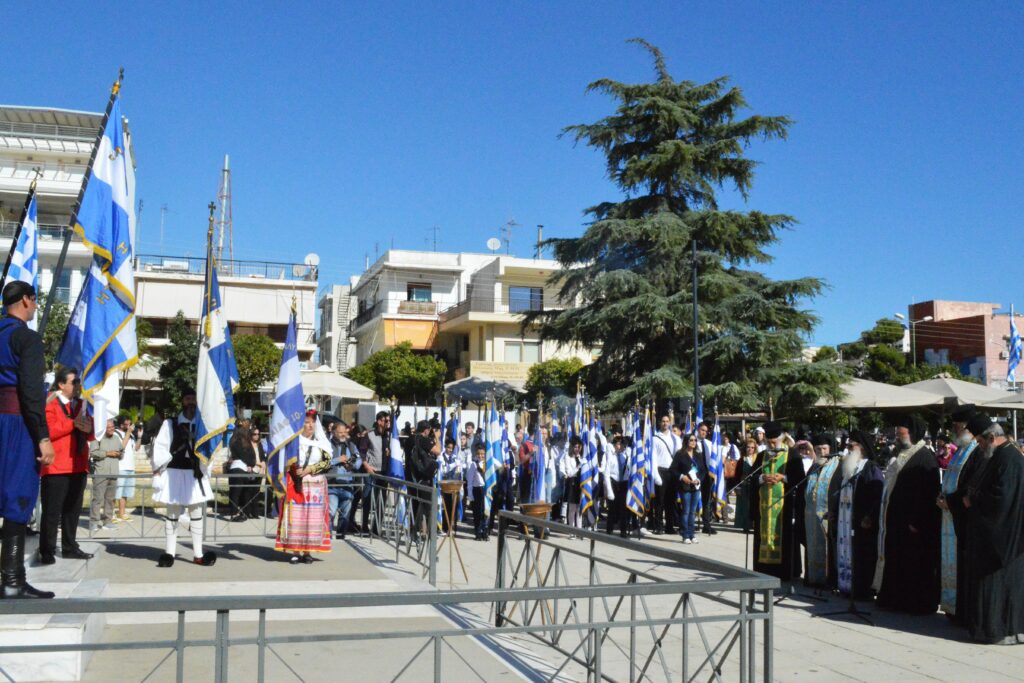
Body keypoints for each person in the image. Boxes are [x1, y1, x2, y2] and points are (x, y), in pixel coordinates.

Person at [0, 282, 56, 599]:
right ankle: (12, 580)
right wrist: (43, 437)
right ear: (25, 300)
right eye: (34, 301)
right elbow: (32, 393)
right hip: (16, 422)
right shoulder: (27, 338)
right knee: (18, 495)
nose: (35, 306)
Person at [961, 417, 1024, 644]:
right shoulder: (1000, 455)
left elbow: (1001, 498)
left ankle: (998, 631)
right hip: (1001, 534)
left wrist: (973, 501)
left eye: (979, 442)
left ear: (990, 437)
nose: (979, 446)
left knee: (999, 586)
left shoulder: (1008, 458)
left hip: (1002, 538)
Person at [873, 415, 941, 614]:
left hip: (913, 524)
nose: (897, 433)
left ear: (912, 432)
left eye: (900, 430)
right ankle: (895, 598)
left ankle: (913, 603)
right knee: (897, 560)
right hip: (897, 521)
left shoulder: (924, 457)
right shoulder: (903, 454)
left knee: (913, 564)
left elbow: (928, 493)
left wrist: (917, 521)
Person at [151, 389, 217, 568]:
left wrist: (205, 468)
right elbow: (161, 447)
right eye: (188, 398)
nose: (191, 402)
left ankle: (198, 554)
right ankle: (169, 553)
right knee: (172, 514)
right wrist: (159, 470)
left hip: (194, 474)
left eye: (194, 399)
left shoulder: (203, 425)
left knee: (196, 514)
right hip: (174, 473)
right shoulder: (170, 423)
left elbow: (208, 450)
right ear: (182, 401)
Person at [38, 367, 93, 564]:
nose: (78, 385)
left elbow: (90, 433)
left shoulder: (82, 405)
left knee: (72, 510)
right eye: (74, 382)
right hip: (57, 467)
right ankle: (47, 550)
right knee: (52, 511)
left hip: (78, 465)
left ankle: (70, 547)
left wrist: (89, 428)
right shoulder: (50, 402)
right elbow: (47, 431)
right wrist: (73, 424)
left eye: (78, 382)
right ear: (61, 384)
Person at [936, 405, 979, 621]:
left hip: (963, 517)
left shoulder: (976, 451)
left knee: (963, 565)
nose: (954, 429)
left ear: (967, 427)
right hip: (950, 514)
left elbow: (971, 485)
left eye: (957, 425)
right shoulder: (960, 450)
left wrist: (950, 502)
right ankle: (953, 609)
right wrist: (941, 496)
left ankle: (962, 611)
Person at [750, 422, 804, 588]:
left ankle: (784, 572)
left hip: (784, 507)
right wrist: (762, 478)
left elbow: (800, 479)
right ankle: (763, 570)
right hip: (764, 507)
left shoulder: (792, 455)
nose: (772, 446)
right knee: (763, 537)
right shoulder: (762, 456)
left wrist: (783, 478)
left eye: (774, 442)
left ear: (781, 439)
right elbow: (752, 477)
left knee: (785, 539)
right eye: (769, 443)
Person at [276, 411, 332, 563]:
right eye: (307, 422)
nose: (310, 425)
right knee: (296, 517)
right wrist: (294, 469)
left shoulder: (321, 443)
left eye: (312, 422)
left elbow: (327, 463)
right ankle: (295, 551)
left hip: (315, 486)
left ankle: (307, 552)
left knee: (312, 519)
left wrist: (310, 469)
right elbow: (285, 460)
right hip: (296, 484)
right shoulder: (294, 442)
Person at [834, 430, 884, 600]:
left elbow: (877, 495)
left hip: (862, 522)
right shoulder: (849, 465)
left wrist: (870, 516)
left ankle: (861, 590)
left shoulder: (871, 467)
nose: (848, 449)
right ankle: (846, 586)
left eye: (851, 446)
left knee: (862, 556)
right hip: (845, 521)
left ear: (861, 447)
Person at [800, 433, 840, 589]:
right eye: (818, 449)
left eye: (824, 449)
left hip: (829, 517)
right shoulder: (813, 467)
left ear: (831, 449)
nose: (822, 453)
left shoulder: (838, 466)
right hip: (811, 517)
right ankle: (813, 578)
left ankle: (829, 580)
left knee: (829, 548)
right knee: (812, 546)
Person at [327, 420, 361, 539]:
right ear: (333, 432)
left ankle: (341, 537)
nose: (343, 435)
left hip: (347, 484)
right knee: (331, 512)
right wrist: (337, 460)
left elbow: (359, 460)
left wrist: (352, 465)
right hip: (332, 485)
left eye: (344, 432)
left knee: (345, 514)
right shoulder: (327, 445)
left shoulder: (350, 445)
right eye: (340, 432)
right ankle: (328, 538)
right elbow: (322, 463)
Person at [357, 411, 390, 535]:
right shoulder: (369, 435)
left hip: (384, 472)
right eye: (386, 421)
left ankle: (376, 528)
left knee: (381, 500)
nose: (388, 423)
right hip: (371, 471)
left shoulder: (389, 435)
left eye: (389, 421)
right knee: (367, 498)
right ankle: (364, 525)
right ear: (379, 421)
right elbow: (362, 453)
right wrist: (367, 467)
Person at [89, 419, 123, 532]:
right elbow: (93, 453)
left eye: (113, 427)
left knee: (110, 499)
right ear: (104, 428)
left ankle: (107, 521)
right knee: (98, 499)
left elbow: (122, 453)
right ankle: (94, 522)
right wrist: (107, 453)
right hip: (101, 473)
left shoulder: (116, 438)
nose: (112, 429)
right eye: (109, 427)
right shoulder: (97, 438)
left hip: (114, 473)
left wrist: (119, 454)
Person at [407, 420, 439, 537]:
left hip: (411, 476)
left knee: (414, 504)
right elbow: (438, 451)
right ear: (426, 430)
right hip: (423, 478)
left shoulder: (409, 439)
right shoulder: (424, 440)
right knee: (427, 506)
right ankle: (429, 533)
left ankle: (413, 531)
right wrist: (437, 437)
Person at [651, 414, 680, 535]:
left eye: (667, 421)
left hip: (672, 472)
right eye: (663, 421)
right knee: (660, 501)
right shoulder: (655, 438)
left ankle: (669, 526)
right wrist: (656, 474)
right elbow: (653, 457)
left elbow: (679, 456)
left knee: (671, 501)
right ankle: (658, 526)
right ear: (660, 423)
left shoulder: (676, 438)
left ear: (670, 423)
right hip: (661, 471)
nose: (665, 423)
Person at [670, 434, 702, 545]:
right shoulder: (680, 454)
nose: (693, 442)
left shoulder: (698, 455)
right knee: (686, 511)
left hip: (696, 487)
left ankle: (692, 534)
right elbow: (673, 469)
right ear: (686, 441)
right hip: (685, 486)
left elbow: (703, 470)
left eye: (695, 440)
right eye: (691, 440)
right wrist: (682, 477)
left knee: (692, 512)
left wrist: (699, 479)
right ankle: (685, 535)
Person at [227, 425, 262, 521]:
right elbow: (245, 456)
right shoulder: (238, 442)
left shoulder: (234, 441)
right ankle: (234, 514)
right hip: (238, 468)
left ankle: (237, 512)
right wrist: (251, 463)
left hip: (239, 468)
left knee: (238, 493)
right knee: (236, 493)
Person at [113, 414, 138, 524]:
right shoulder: (116, 434)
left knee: (125, 492)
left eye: (130, 424)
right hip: (120, 467)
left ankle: (121, 512)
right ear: (121, 424)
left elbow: (136, 448)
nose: (129, 426)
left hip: (130, 467)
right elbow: (121, 447)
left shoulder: (131, 434)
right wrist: (128, 433)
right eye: (126, 424)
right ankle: (111, 513)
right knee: (116, 492)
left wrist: (139, 437)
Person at [694, 422, 718, 534]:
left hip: (707, 475)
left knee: (706, 501)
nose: (704, 432)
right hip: (696, 474)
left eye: (706, 431)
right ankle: (690, 524)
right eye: (702, 430)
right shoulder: (693, 442)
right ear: (698, 430)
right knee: (693, 499)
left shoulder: (709, 443)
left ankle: (706, 525)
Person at [605, 435, 631, 537]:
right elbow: (607, 474)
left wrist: (630, 458)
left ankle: (623, 531)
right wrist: (609, 490)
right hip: (614, 482)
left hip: (623, 482)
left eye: (622, 444)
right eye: (618, 444)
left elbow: (631, 470)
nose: (620, 446)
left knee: (623, 508)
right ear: (614, 445)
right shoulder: (611, 457)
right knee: (612, 507)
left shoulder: (626, 457)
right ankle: (609, 529)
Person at [733, 438, 757, 531]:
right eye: (748, 447)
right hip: (744, 486)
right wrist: (737, 487)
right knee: (745, 507)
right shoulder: (741, 460)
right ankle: (746, 526)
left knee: (754, 506)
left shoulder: (757, 459)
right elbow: (737, 475)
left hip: (755, 486)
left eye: (752, 447)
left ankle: (754, 525)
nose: (750, 449)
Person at [562, 436, 584, 534]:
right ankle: (571, 530)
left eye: (579, 447)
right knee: (572, 508)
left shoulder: (582, 457)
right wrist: (578, 467)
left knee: (579, 507)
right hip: (572, 482)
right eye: (575, 447)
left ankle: (579, 529)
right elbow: (570, 473)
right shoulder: (568, 457)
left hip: (580, 483)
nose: (577, 449)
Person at [467, 442, 487, 540]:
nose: (480, 456)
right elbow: (470, 480)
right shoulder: (473, 464)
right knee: (477, 512)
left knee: (485, 512)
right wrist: (470, 494)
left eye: (482, 454)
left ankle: (485, 532)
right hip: (476, 490)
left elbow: (498, 464)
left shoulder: (488, 463)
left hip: (485, 490)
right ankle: (478, 532)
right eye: (478, 454)